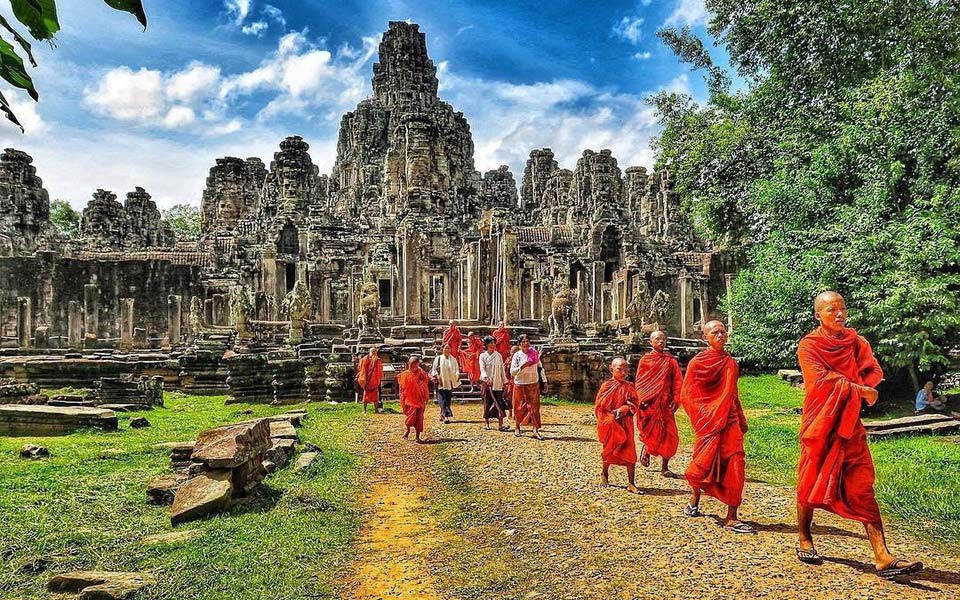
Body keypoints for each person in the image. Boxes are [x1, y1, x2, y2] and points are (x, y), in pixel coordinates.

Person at [796, 291, 922, 578]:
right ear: (818, 315)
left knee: (862, 484)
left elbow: (873, 370)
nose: (839, 314)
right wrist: (857, 389)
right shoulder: (809, 345)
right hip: (820, 423)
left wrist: (862, 387)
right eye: (831, 310)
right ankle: (804, 536)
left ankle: (882, 555)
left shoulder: (856, 342)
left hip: (849, 422)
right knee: (810, 478)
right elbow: (819, 381)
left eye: (842, 309)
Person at [679, 320, 753, 534]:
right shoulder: (697, 363)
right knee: (702, 464)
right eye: (715, 332)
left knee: (736, 463)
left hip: (729, 421)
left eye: (723, 332)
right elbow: (687, 394)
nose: (720, 335)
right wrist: (704, 414)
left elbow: (732, 393)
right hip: (708, 422)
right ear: (705, 337)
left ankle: (732, 516)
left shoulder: (730, 362)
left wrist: (740, 417)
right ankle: (694, 499)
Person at [634, 330, 683, 477]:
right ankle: (647, 449)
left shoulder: (671, 361)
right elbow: (640, 382)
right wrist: (642, 399)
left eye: (663, 340)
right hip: (649, 403)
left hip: (665, 404)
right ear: (651, 342)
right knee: (650, 432)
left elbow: (678, 381)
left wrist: (676, 398)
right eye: (657, 339)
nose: (661, 342)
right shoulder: (645, 360)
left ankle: (665, 467)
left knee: (670, 435)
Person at [595, 357, 641, 494]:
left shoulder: (629, 386)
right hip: (611, 423)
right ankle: (604, 473)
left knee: (630, 450)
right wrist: (611, 416)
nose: (623, 373)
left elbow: (634, 403)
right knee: (609, 448)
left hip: (625, 423)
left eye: (626, 370)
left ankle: (631, 483)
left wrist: (625, 409)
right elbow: (599, 407)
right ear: (611, 370)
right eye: (619, 370)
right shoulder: (606, 386)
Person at [510, 334, 546, 440]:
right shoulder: (517, 355)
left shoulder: (534, 354)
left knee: (534, 408)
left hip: (533, 383)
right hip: (520, 384)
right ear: (520, 344)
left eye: (527, 341)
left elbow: (540, 368)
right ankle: (517, 427)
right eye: (523, 342)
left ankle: (535, 430)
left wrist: (544, 381)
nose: (525, 343)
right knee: (519, 407)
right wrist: (522, 367)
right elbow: (512, 372)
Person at [398, 355, 430, 443]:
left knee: (419, 418)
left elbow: (426, 381)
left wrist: (420, 385)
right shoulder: (405, 375)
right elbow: (402, 388)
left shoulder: (421, 372)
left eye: (416, 365)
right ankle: (407, 429)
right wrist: (402, 398)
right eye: (412, 365)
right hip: (409, 399)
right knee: (411, 417)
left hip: (419, 399)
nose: (414, 367)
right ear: (409, 364)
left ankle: (417, 437)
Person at [479, 335, 508, 431]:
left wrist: (504, 381)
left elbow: (502, 370)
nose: (493, 345)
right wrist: (486, 378)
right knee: (487, 403)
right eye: (491, 343)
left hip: (497, 382)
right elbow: (482, 369)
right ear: (486, 344)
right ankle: (487, 423)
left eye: (494, 343)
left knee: (498, 402)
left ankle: (500, 425)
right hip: (487, 383)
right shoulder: (482, 356)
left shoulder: (498, 355)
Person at [430, 342, 459, 424]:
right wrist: (438, 377)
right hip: (440, 382)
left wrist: (456, 376)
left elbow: (456, 369)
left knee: (448, 399)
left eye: (449, 348)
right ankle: (446, 416)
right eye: (445, 348)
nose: (447, 350)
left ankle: (442, 414)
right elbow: (434, 369)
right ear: (442, 349)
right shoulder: (438, 358)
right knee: (442, 399)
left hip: (449, 382)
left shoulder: (453, 360)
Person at [356, 346, 383, 414]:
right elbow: (379, 371)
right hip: (374, 381)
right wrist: (379, 377)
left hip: (366, 381)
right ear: (375, 352)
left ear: (370, 352)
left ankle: (364, 410)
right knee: (375, 397)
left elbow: (361, 368)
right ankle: (376, 410)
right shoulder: (377, 360)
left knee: (366, 396)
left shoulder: (364, 359)